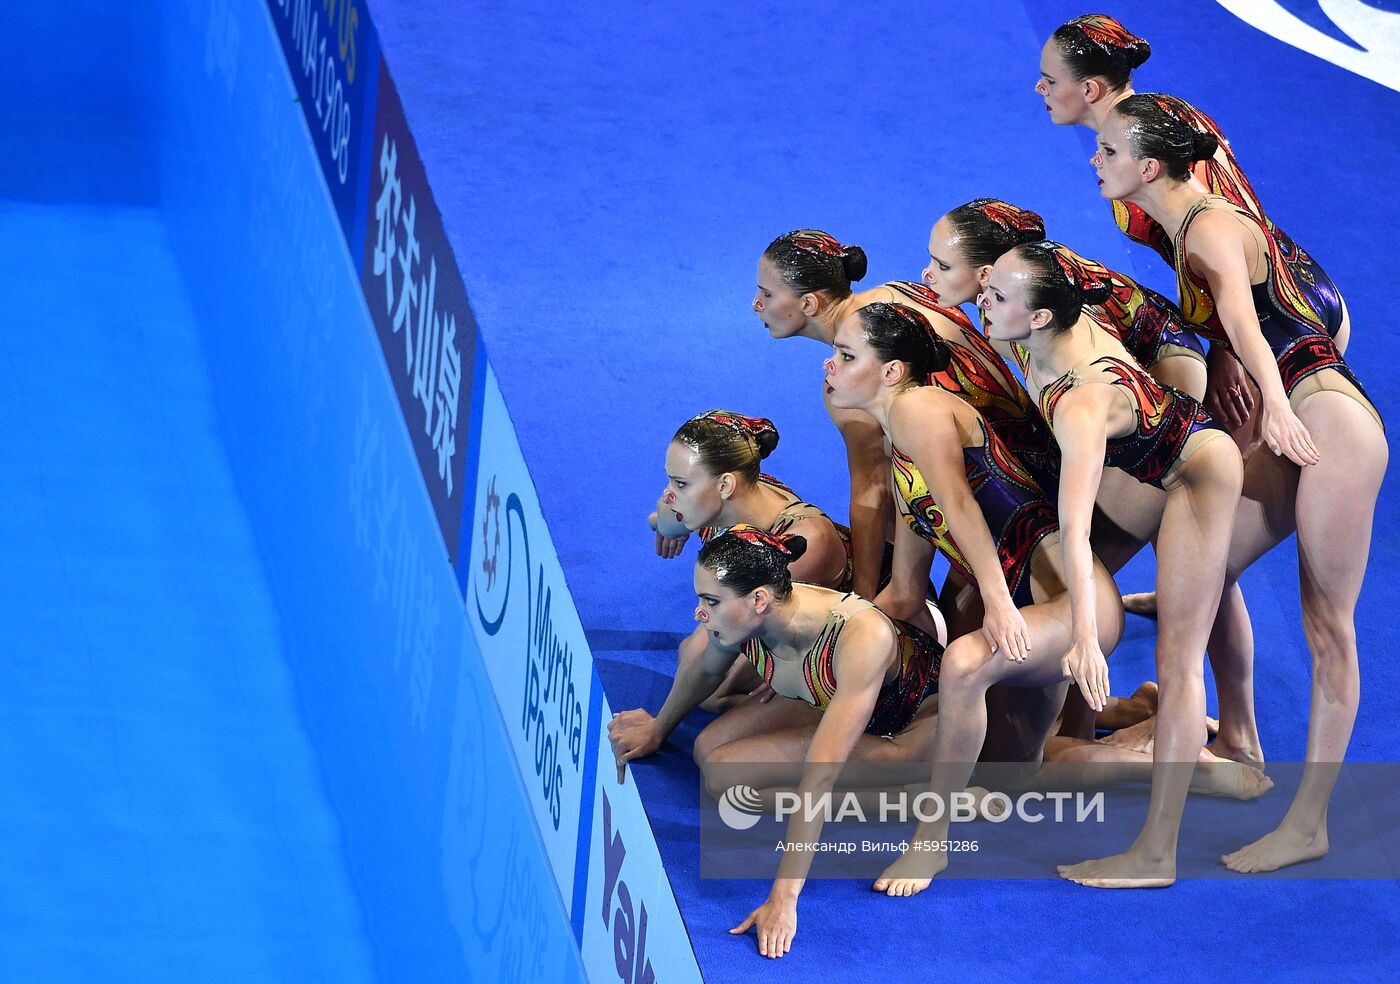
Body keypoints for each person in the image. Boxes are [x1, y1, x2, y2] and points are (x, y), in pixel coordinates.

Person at [1095, 94, 1386, 873]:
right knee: (1206, 567)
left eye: (1109, 153)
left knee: (1328, 627)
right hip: (1305, 409)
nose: (1097, 161)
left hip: (1330, 423)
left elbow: (1246, 324)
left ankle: (1309, 822)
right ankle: (1235, 736)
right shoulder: (1187, 216)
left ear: (1148, 167)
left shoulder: (1212, 227)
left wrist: (1279, 409)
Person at [821, 300, 1127, 893]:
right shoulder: (900, 446)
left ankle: (930, 845)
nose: (829, 367)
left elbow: (962, 508)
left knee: (963, 664)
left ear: (891, 371)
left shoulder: (919, 408)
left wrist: (997, 603)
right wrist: (822, 645)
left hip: (1075, 607)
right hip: (1029, 616)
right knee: (1013, 780)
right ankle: (1155, 736)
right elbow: (906, 595)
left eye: (846, 355)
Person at [983, 240, 1244, 887]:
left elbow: (1074, 536)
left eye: (997, 294)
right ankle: (1140, 726)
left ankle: (1156, 853)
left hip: (1196, 471)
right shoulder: (1043, 332)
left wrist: (1085, 640)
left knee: (1177, 658)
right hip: (1152, 452)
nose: (982, 299)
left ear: (1039, 316)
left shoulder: (1077, 401)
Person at [1036, 12, 1352, 433]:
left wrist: (1227, 353)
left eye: (1050, 80)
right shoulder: (1162, 116)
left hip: (1272, 316)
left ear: (1089, 88)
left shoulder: (1139, 148)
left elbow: (1234, 225)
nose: (1040, 88)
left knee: (1242, 477)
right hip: (1297, 285)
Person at [685, 527, 942, 958]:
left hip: (912, 730)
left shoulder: (859, 635)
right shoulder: (767, 607)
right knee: (707, 751)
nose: (699, 614)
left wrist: (783, 898)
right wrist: (657, 728)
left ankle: (920, 798)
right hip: (841, 703)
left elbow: (819, 780)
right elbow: (706, 673)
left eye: (710, 602)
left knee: (729, 780)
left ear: (759, 601)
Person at [754, 230, 1051, 597]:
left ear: (810, 304)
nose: (757, 304)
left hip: (1019, 507)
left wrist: (862, 598)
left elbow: (872, 491)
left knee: (898, 473)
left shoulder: (853, 381)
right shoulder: (899, 293)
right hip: (1046, 450)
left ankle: (902, 593)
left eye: (767, 294)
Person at [609, 410, 855, 766]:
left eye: (680, 484)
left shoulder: (801, 546)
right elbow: (662, 514)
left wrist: (657, 728)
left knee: (701, 674)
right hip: (775, 620)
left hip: (838, 650)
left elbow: (709, 651)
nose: (668, 495)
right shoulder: (733, 489)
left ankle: (839, 717)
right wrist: (666, 521)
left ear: (724, 486)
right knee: (708, 692)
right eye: (669, 481)